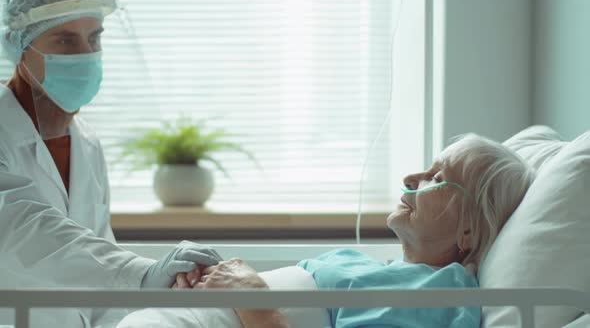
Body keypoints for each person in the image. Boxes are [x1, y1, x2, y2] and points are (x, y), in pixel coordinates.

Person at [0, 0, 220, 327]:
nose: (85, 55)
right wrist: (141, 274)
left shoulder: (86, 143)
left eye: (95, 38)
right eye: (65, 39)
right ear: (19, 46)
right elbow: (17, 227)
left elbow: (98, 260)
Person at [172, 134, 535, 328]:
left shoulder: (437, 294)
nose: (410, 179)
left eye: (437, 178)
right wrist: (210, 282)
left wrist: (253, 299)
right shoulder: (379, 271)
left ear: (469, 231)